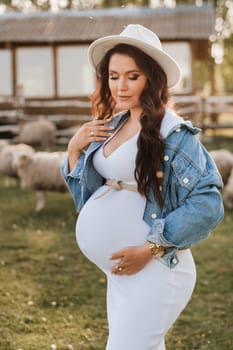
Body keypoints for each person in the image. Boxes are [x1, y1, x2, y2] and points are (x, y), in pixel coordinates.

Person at [62, 24, 224, 350]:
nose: (120, 86)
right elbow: (90, 197)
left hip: (156, 271)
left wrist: (151, 248)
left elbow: (208, 204)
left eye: (132, 77)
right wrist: (74, 150)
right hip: (122, 275)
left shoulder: (174, 133)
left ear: (152, 78)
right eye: (113, 76)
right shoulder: (115, 123)